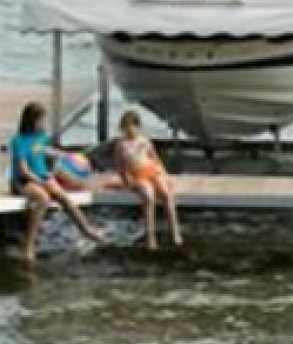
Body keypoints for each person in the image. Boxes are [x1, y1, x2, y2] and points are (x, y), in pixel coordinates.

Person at [10, 101, 106, 264]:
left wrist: (54, 171)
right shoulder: (18, 141)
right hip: (25, 180)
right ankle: (29, 244)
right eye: (40, 120)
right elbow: (23, 170)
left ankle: (86, 230)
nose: (42, 124)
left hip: (43, 176)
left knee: (63, 196)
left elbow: (45, 157)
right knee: (43, 199)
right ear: (30, 121)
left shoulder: (42, 137)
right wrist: (40, 180)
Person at [113, 110, 182, 250]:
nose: (130, 129)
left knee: (166, 193)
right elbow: (120, 166)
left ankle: (174, 232)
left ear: (138, 127)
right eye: (126, 127)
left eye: (133, 126)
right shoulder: (121, 145)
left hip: (151, 170)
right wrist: (127, 180)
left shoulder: (144, 140)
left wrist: (164, 174)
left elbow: (155, 158)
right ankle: (151, 236)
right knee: (148, 196)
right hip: (137, 174)